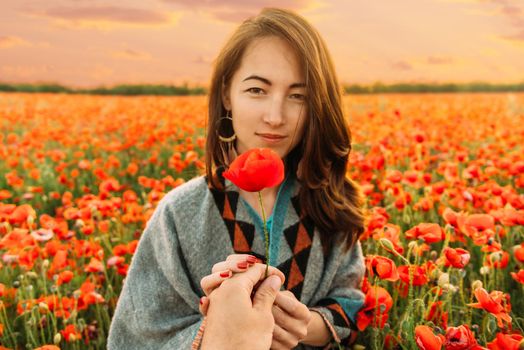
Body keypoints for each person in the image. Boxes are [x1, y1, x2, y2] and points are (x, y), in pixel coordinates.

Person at [108, 7, 366, 350]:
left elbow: (352, 304)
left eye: (298, 96)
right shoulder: (179, 213)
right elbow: (137, 335)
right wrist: (222, 331)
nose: (275, 117)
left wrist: (305, 326)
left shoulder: (327, 200)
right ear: (227, 93)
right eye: (257, 90)